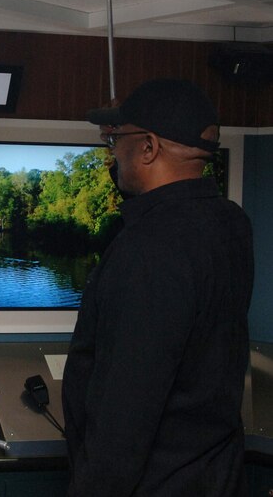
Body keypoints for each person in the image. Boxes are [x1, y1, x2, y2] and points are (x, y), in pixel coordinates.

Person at [61, 79, 254, 496]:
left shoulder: (150, 250)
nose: (112, 150)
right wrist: (122, 130)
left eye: (119, 140)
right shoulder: (231, 225)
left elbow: (124, 419)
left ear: (148, 148)